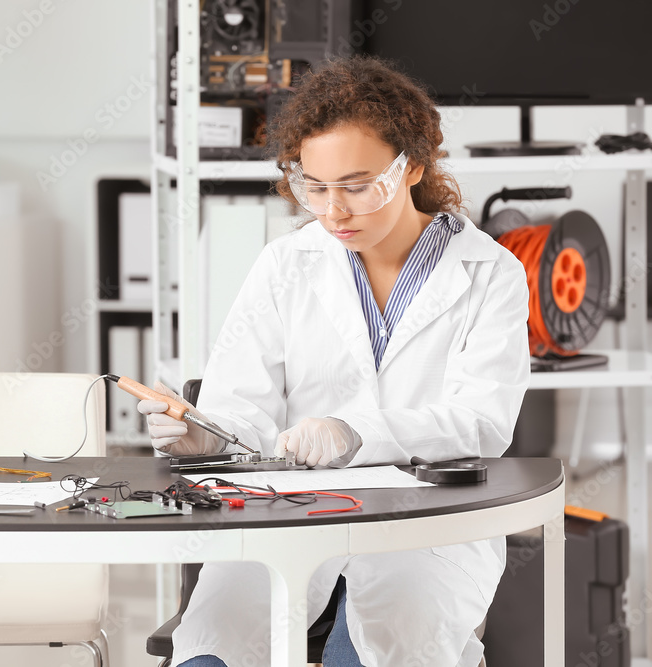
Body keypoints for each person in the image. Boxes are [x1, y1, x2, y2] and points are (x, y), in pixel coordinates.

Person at [138, 56, 530, 667]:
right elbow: (242, 403)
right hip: (289, 513)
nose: (333, 211)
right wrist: (202, 432)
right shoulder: (284, 264)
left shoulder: (491, 274)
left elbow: (481, 420)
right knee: (215, 655)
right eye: (314, 187)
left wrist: (356, 433)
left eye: (357, 185)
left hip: (424, 523)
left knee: (371, 653)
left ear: (414, 167)